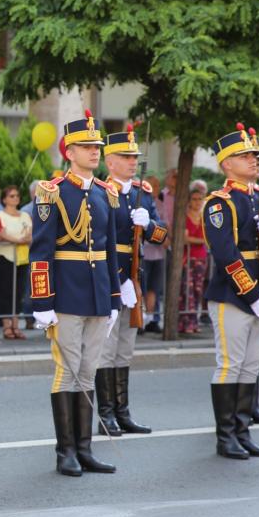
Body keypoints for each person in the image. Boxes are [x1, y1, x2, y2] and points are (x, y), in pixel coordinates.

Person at [30, 110, 120, 477]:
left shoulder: (104, 194)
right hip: (66, 294)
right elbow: (41, 250)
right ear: (69, 151)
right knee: (66, 372)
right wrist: (42, 303)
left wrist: (114, 297)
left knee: (88, 370)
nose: (95, 151)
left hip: (98, 294)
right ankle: (64, 451)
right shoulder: (52, 192)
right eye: (86, 146)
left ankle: (85, 448)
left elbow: (111, 249)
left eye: (97, 146)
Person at [203, 123, 259, 460]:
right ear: (226, 164)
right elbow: (225, 254)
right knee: (230, 364)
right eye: (244, 155)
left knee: (251, 365)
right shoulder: (219, 203)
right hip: (232, 295)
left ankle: (242, 430)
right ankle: (225, 437)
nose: (253, 160)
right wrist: (253, 294)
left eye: (254, 155)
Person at [96, 126, 166, 437]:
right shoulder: (100, 192)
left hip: (135, 280)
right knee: (106, 350)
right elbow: (97, 241)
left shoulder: (143, 193)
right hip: (111, 279)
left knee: (125, 350)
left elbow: (161, 235)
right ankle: (106, 413)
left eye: (134, 157)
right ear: (110, 162)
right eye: (125, 156)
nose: (132, 161)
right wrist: (118, 280)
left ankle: (123, 411)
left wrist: (148, 223)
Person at [0, 185, 31, 339]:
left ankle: (16, 324)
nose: (15, 199)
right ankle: (6, 325)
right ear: (5, 199)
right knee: (5, 291)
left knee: (19, 291)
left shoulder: (25, 216)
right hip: (4, 257)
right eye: (12, 196)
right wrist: (18, 239)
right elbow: (0, 235)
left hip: (21, 258)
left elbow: (30, 235)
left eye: (17, 196)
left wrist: (19, 240)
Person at [140, 168, 176, 332]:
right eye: (151, 185)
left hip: (158, 252)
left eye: (155, 186)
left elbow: (164, 224)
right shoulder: (139, 201)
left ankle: (152, 318)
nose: (155, 189)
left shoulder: (158, 204)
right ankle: (140, 318)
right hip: (144, 252)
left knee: (155, 287)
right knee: (141, 287)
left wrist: (163, 238)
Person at [179, 187, 208, 334]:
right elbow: (185, 239)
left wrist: (198, 240)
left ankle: (194, 322)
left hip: (201, 257)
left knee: (198, 290)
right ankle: (185, 323)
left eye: (200, 199)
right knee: (186, 290)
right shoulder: (184, 216)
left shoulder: (205, 216)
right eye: (194, 199)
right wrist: (200, 240)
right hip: (187, 257)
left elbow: (208, 238)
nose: (197, 202)